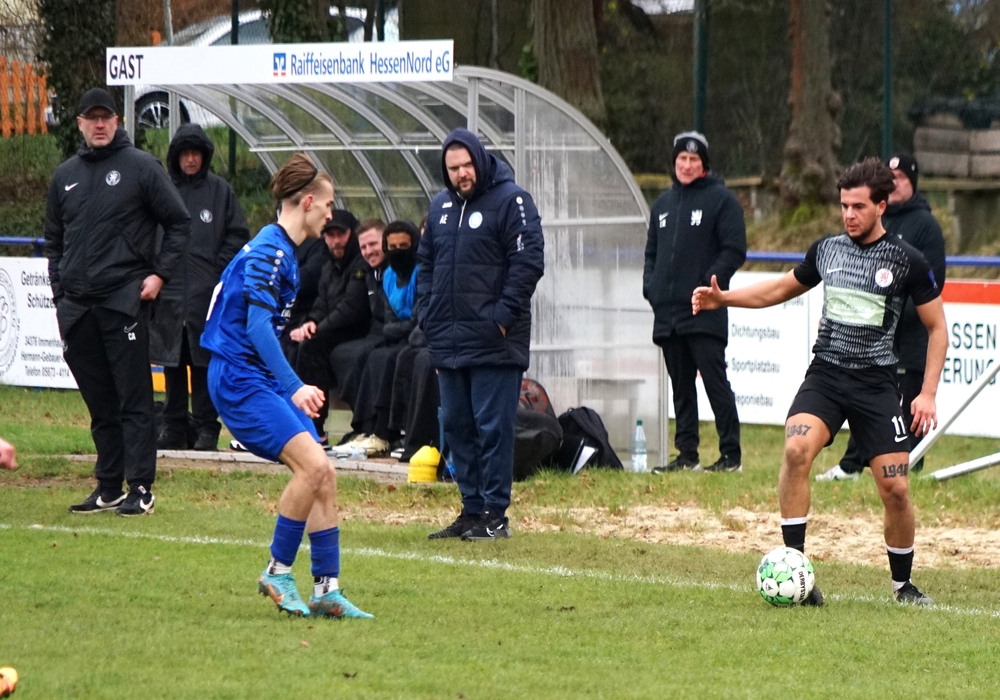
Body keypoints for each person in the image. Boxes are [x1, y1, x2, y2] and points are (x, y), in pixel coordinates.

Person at [692, 158, 946, 606]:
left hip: (876, 384)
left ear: (881, 206)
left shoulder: (907, 259)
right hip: (826, 375)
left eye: (858, 207)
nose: (849, 214)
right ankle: (797, 572)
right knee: (796, 450)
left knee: (896, 488)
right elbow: (779, 289)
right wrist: (724, 298)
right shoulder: (827, 250)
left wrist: (927, 393)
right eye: (844, 206)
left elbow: (937, 328)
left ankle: (902, 586)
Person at [201, 153, 372, 619]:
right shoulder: (271, 251)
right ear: (309, 202)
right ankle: (277, 572)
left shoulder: (284, 251)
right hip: (238, 377)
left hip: (254, 375)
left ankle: (327, 589)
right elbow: (257, 327)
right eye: (329, 204)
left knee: (324, 471)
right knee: (312, 467)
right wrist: (295, 386)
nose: (332, 215)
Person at [44, 87, 190, 516]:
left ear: (117, 121)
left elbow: (179, 223)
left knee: (134, 401)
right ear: (80, 124)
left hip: (123, 301)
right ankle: (108, 486)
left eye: (106, 117)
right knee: (100, 404)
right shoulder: (65, 175)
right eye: (92, 118)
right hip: (77, 308)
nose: (100, 124)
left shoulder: (141, 167)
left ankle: (140, 487)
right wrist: (60, 294)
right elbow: (54, 242)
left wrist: (159, 275)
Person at [417, 127, 544, 541]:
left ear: (481, 160)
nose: (461, 174)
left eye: (467, 164)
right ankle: (471, 510)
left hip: (494, 340)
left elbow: (528, 263)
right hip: (449, 340)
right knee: (457, 427)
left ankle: (495, 514)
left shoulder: (512, 201)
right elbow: (426, 265)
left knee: (493, 428)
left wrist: (501, 319)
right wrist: (428, 316)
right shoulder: (440, 207)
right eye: (453, 168)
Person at [816, 153, 946, 481]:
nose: (896, 183)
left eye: (902, 177)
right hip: (872, 340)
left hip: (910, 338)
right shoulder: (873, 223)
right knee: (869, 405)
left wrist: (889, 315)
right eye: (892, 177)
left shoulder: (926, 225)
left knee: (906, 411)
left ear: (913, 182)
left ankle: (909, 471)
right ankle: (851, 466)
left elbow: (932, 285)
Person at [644, 131, 747, 474]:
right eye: (682, 159)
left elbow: (734, 249)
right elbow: (651, 253)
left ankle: (731, 456)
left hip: (704, 309)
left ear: (704, 164)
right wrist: (652, 288)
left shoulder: (722, 200)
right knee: (681, 387)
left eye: (693, 159)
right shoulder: (661, 205)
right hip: (668, 313)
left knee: (715, 382)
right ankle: (687, 454)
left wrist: (708, 285)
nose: (687, 165)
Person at [150, 123, 249, 451]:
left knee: (205, 363)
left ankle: (207, 429)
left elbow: (238, 235)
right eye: (184, 154)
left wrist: (217, 272)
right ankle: (173, 427)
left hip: (207, 295)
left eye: (195, 153)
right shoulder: (163, 190)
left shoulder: (220, 192)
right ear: (176, 157)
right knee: (173, 363)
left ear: (204, 156)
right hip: (170, 294)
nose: (190, 160)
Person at [291, 212, 372, 442]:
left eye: (341, 235)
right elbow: (321, 303)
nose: (336, 241)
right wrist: (310, 323)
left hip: (357, 329)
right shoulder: (329, 266)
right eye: (330, 235)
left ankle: (314, 426)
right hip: (334, 329)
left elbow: (352, 309)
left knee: (312, 347)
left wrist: (318, 328)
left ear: (352, 234)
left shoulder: (360, 264)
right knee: (293, 343)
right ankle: (294, 420)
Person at [342, 220, 421, 454]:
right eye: (392, 247)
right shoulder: (388, 276)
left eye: (404, 246)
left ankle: (386, 434)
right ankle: (366, 429)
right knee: (374, 356)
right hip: (401, 335)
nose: (397, 252)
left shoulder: (421, 272)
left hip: (420, 337)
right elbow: (388, 322)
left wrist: (400, 329)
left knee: (389, 359)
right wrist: (399, 329)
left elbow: (418, 319)